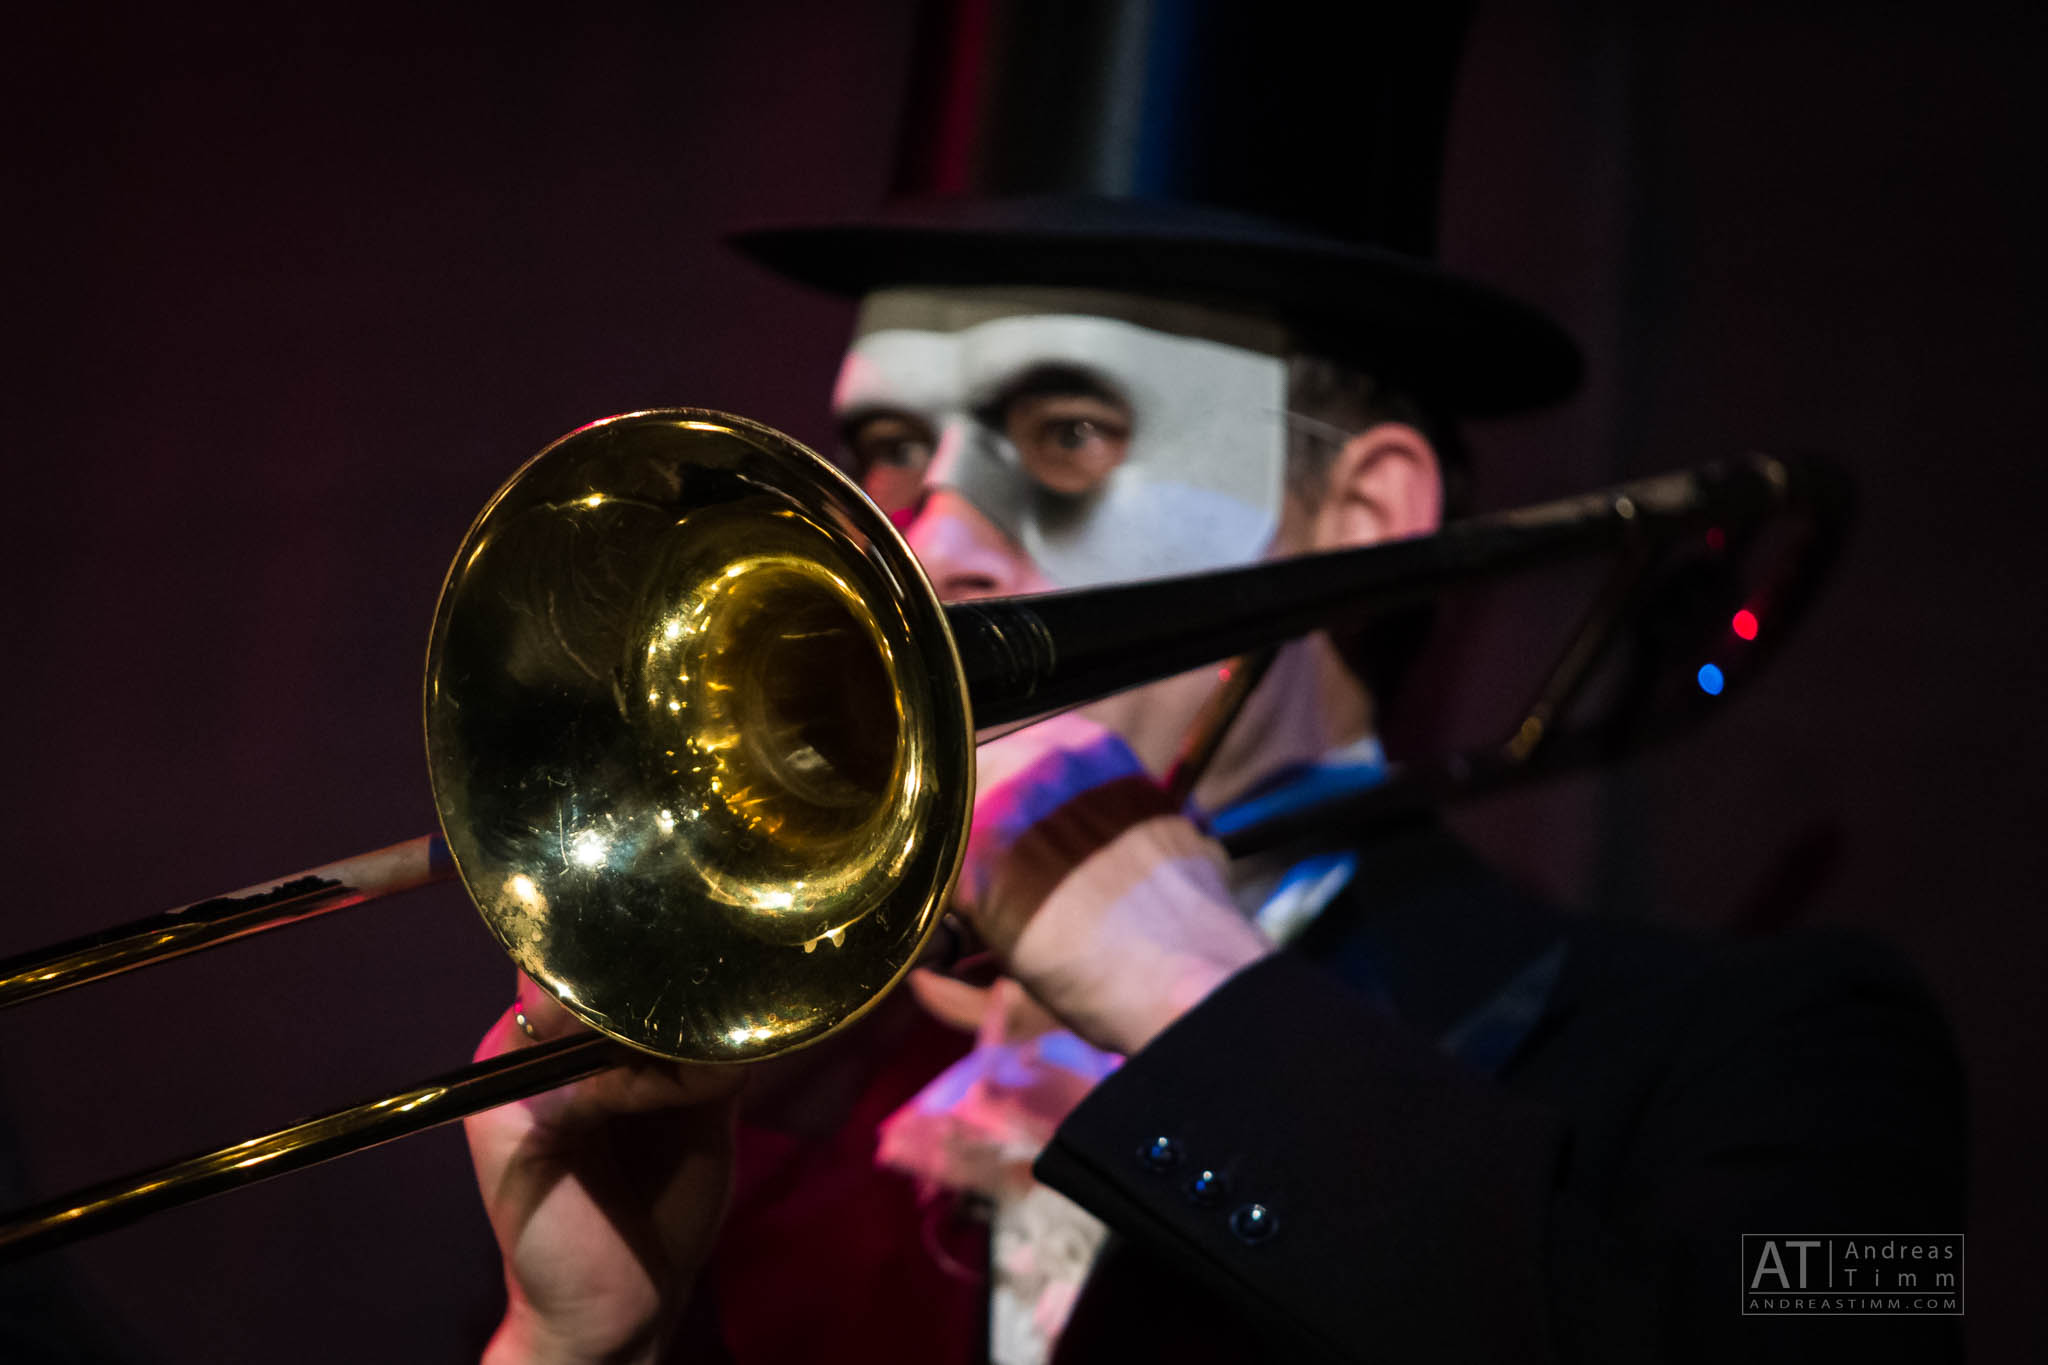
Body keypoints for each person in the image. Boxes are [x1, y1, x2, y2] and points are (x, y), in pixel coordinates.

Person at [464, 4, 1964, 1361]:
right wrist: (577, 1350)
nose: (928, 545)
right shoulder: (747, 1144)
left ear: (1366, 515)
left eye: (1063, 434)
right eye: (892, 456)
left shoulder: (1789, 1046)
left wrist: (1201, 1004)